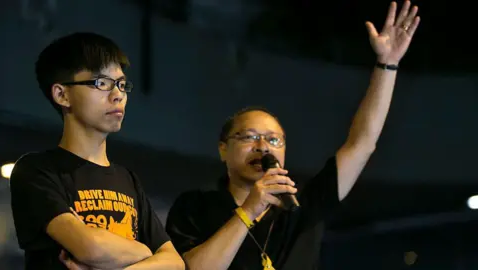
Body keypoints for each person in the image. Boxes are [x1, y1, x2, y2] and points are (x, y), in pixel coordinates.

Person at [165, 1, 420, 269]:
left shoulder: (302, 206)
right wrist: (249, 210)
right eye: (249, 137)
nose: (263, 147)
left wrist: (387, 65)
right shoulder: (195, 207)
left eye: (274, 140)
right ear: (222, 149)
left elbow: (362, 143)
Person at [9, 32, 185, 270]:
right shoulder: (36, 170)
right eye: (101, 83)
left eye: (122, 85)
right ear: (62, 94)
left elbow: (174, 263)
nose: (118, 95)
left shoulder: (127, 179)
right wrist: (143, 251)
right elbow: (89, 247)